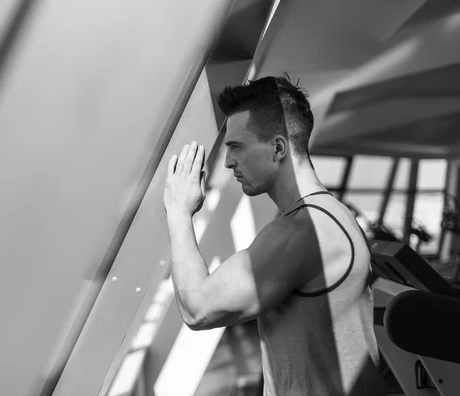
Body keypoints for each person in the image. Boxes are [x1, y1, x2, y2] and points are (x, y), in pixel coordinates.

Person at [163, 75, 387, 395]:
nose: (228, 162)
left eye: (237, 147)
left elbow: (197, 308)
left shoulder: (305, 229)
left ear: (278, 147)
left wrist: (178, 212)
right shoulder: (328, 215)